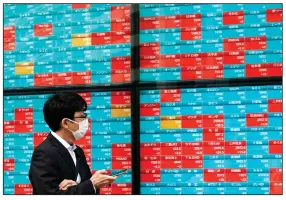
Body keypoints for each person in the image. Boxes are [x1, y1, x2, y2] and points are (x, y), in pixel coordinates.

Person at [29, 92, 117, 194]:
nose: (86, 121)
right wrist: (92, 184)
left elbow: (85, 189)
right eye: (81, 117)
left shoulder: (77, 151)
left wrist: (91, 185)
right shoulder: (44, 153)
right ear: (66, 123)